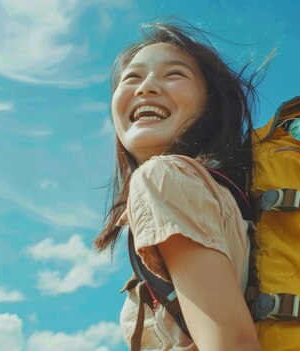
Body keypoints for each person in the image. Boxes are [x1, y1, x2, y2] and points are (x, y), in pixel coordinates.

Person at [94, 21, 267, 351]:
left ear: (211, 105)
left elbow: (233, 345)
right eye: (131, 77)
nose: (146, 87)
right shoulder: (225, 196)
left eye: (174, 74)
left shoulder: (163, 178)